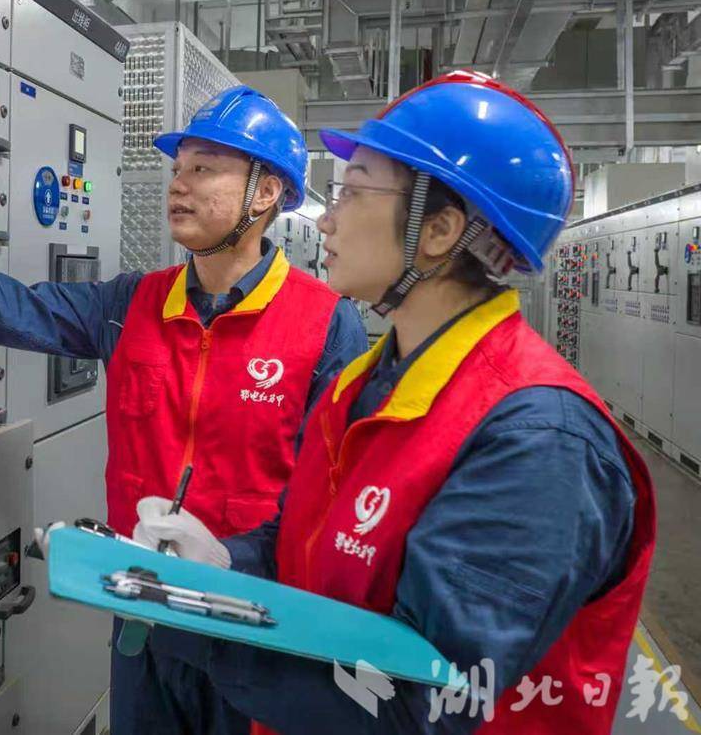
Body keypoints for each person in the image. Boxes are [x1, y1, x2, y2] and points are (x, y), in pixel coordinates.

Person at [0, 85, 366, 735]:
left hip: (252, 625)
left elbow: (332, 501)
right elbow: (11, 308)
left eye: (204, 168)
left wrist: (229, 559)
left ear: (264, 193)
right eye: (178, 167)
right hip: (144, 617)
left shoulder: (325, 325)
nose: (178, 184)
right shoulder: (133, 303)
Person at [134, 70, 657, 734]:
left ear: (436, 230)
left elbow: (421, 699)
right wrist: (220, 564)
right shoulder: (365, 387)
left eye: (353, 192)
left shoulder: (538, 442)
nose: (327, 218)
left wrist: (198, 623)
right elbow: (304, 543)